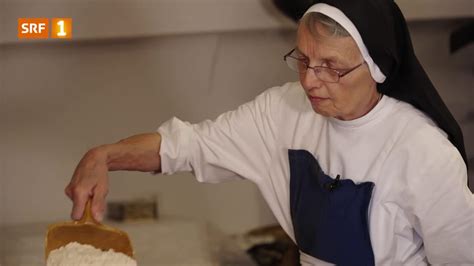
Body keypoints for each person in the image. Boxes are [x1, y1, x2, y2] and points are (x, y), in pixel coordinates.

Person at [65, 0, 474, 265]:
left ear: (378, 67)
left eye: (332, 67)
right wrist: (105, 155)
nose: (311, 81)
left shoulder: (423, 153)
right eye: (303, 60)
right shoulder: (283, 110)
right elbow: (186, 146)